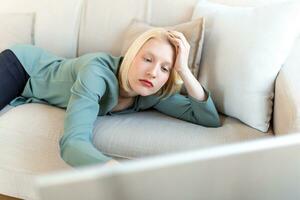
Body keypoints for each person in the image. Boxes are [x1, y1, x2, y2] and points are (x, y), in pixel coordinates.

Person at [0, 28, 221, 168]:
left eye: (165, 68)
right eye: (147, 59)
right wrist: (113, 170)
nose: (153, 72)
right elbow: (72, 143)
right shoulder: (96, 72)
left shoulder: (151, 93)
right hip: (22, 67)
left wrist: (184, 70)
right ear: (131, 56)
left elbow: (208, 118)